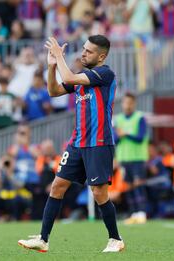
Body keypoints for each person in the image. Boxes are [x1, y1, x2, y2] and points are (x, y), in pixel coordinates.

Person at [18, 35, 124, 253]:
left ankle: (115, 239)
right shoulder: (82, 77)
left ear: (101, 56)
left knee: (99, 193)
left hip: (99, 142)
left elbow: (68, 76)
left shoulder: (104, 74)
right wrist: (51, 66)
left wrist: (59, 56)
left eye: (89, 51)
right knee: (57, 186)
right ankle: (43, 239)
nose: (84, 53)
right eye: (84, 49)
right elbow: (53, 91)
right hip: (77, 142)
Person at [114, 93, 149, 225]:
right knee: (128, 186)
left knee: (138, 184)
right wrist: (120, 136)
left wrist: (126, 134)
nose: (127, 105)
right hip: (124, 158)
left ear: (134, 104)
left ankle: (142, 213)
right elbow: (115, 139)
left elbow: (140, 138)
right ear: (122, 104)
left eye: (130, 103)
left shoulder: (140, 118)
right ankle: (134, 213)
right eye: (125, 103)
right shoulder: (118, 119)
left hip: (137, 157)